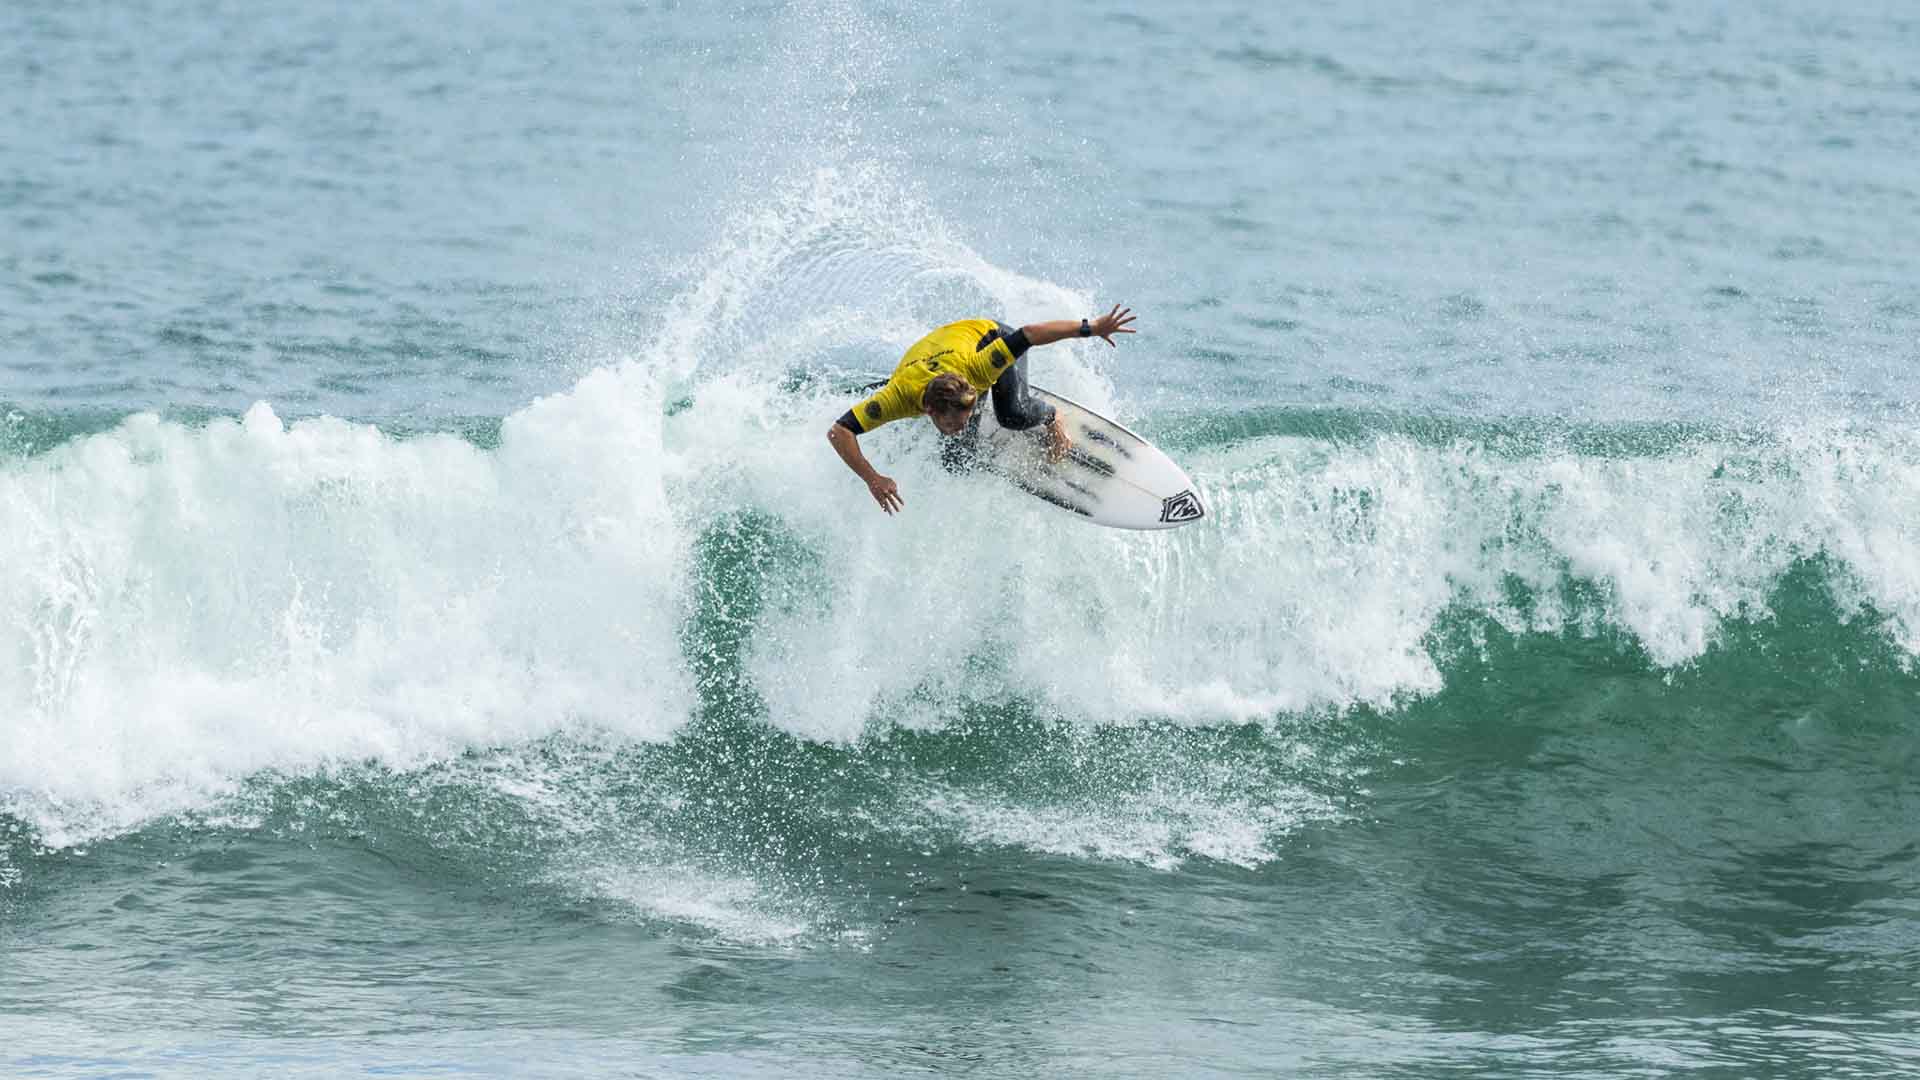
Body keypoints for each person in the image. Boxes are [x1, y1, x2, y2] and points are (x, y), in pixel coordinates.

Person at [827, 305, 1137, 515]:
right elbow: (838, 431)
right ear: (930, 411)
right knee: (955, 461)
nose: (958, 428)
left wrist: (1092, 327)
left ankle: (1051, 417)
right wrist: (872, 478)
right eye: (953, 424)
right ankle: (983, 413)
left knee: (1013, 415)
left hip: (987, 337)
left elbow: (1029, 333)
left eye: (963, 420)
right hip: (932, 355)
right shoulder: (897, 398)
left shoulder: (980, 368)